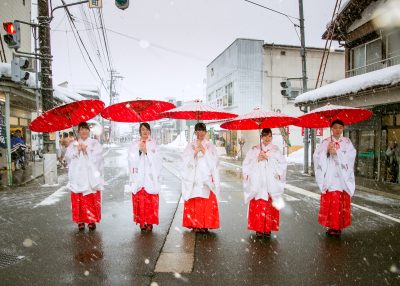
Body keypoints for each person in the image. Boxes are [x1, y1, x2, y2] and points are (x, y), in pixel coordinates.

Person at [314, 119, 356, 237]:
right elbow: (317, 156)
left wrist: (337, 153)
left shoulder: (347, 142)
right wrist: (326, 152)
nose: (338, 130)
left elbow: (350, 157)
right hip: (330, 177)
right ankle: (332, 226)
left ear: (343, 129)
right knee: (332, 203)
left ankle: (338, 227)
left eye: (340, 128)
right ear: (331, 129)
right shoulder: (325, 142)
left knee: (339, 203)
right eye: (335, 127)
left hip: (342, 177)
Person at [242, 128, 287, 238]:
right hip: (258, 183)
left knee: (269, 205)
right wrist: (257, 160)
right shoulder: (254, 150)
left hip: (270, 183)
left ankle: (268, 228)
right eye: (265, 136)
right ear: (261, 136)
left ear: (272, 137)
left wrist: (268, 159)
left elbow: (282, 165)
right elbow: (246, 164)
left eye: (269, 136)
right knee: (259, 205)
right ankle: (259, 228)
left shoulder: (275, 150)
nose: (267, 138)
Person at [181, 122, 220, 233]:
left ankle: (205, 225)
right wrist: (194, 153)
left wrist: (204, 151)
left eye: (202, 130)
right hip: (194, 178)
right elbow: (185, 160)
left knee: (205, 202)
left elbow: (215, 161)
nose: (200, 132)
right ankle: (195, 224)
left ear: (205, 132)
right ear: (195, 132)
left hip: (205, 178)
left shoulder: (210, 145)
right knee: (195, 200)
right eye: (198, 130)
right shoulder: (190, 145)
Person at [65, 122, 104, 231]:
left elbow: (99, 158)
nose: (84, 131)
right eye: (81, 129)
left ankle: (91, 220)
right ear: (78, 131)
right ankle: (80, 221)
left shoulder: (94, 143)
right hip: (78, 176)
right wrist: (77, 150)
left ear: (89, 131)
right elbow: (68, 158)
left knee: (90, 198)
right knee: (79, 199)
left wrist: (87, 151)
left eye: (86, 129)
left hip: (90, 177)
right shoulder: (73, 144)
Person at [128, 122, 162, 232]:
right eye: (142, 130)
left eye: (147, 130)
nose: (145, 132)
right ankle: (142, 222)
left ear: (150, 131)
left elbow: (158, 160)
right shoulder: (134, 144)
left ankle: (150, 222)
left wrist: (147, 152)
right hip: (139, 177)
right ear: (139, 132)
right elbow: (130, 160)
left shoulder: (154, 144)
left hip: (150, 178)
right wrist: (138, 151)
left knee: (150, 201)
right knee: (140, 200)